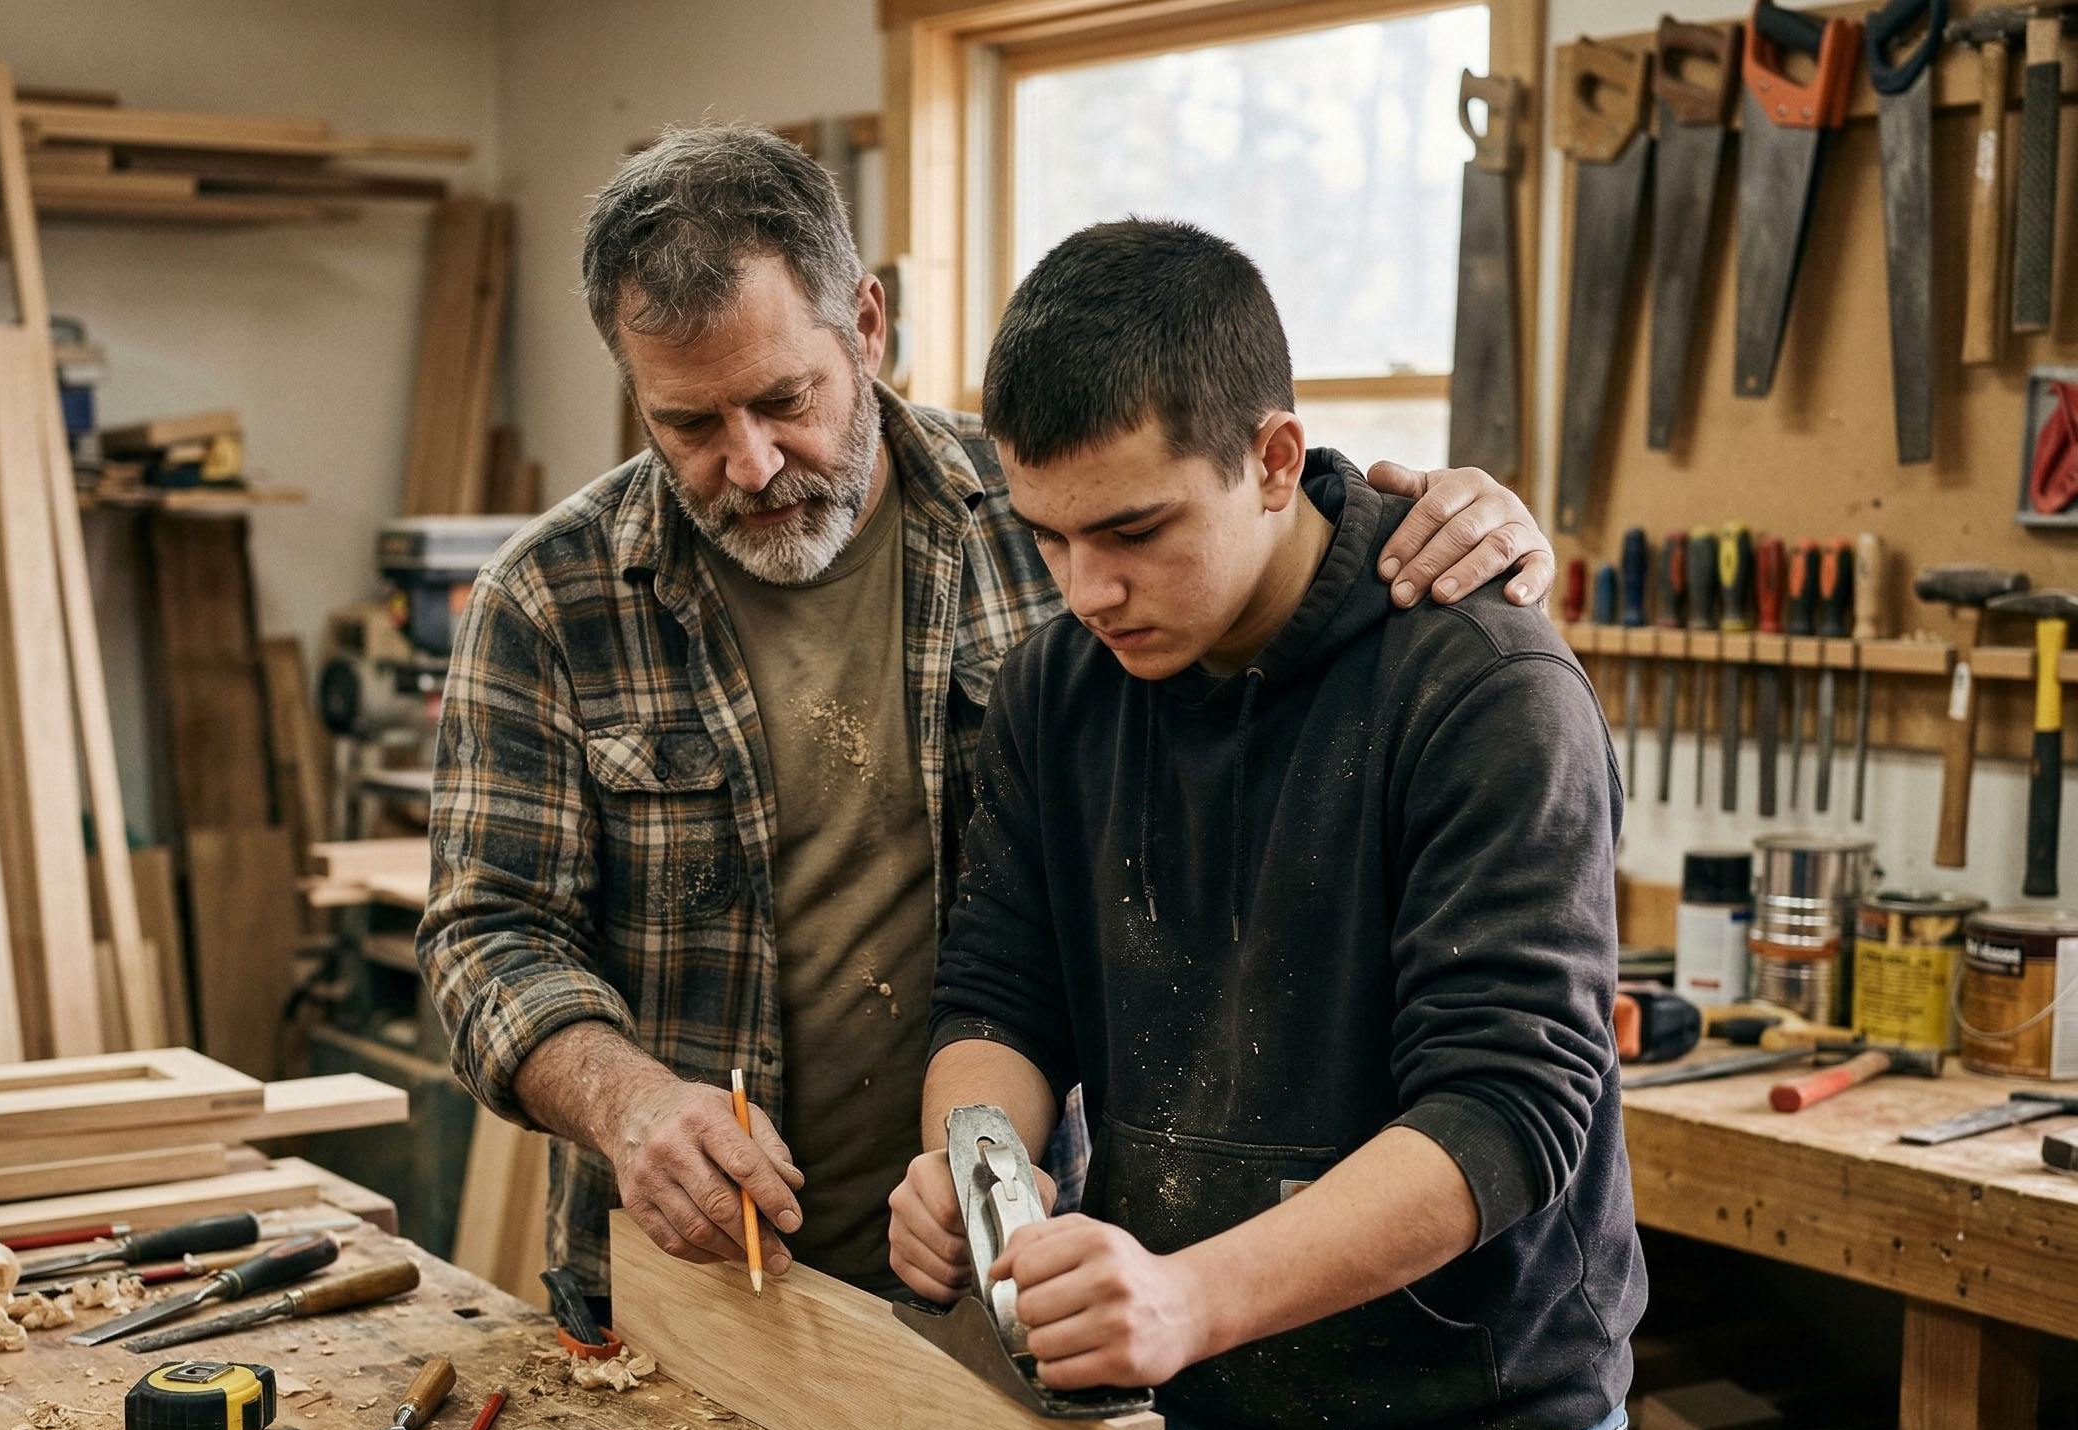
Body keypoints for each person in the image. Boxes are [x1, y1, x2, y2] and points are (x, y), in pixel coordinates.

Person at [417, 125, 1560, 1308]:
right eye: (688, 427)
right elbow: (483, 935)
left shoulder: (1039, 514)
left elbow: (1241, 503)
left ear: (866, 325)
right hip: (684, 1287)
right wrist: (630, 1102)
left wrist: (1453, 524)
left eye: (781, 400)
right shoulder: (551, 599)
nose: (749, 463)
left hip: (1010, 1275)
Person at [886, 219, 1642, 1430]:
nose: (1087, 587)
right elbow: (999, 993)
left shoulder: (1482, 686)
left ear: (1277, 457)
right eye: (1046, 536)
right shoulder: (1057, 688)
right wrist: (979, 1167)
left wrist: (1184, 1297)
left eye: (1137, 531)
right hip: (1192, 1422)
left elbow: (1508, 1114)